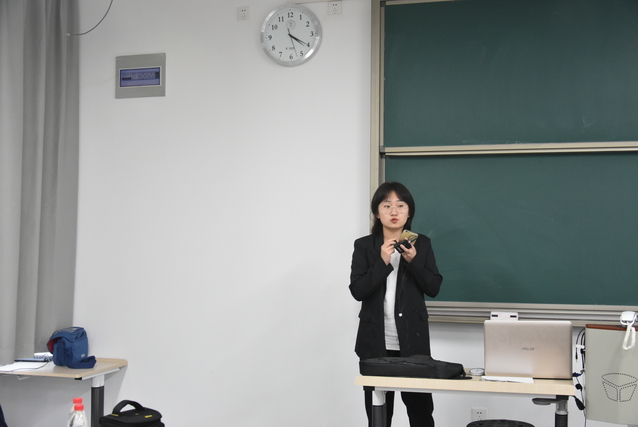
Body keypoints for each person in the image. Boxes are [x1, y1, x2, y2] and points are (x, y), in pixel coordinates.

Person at [349, 181, 443, 427]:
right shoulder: (364, 246)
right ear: (377, 212)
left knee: (421, 414)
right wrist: (382, 261)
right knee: (379, 417)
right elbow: (358, 291)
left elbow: (433, 287)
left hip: (414, 344)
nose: (394, 211)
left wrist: (413, 261)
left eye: (400, 205)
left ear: (409, 212)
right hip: (375, 344)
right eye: (386, 205)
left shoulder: (422, 244)